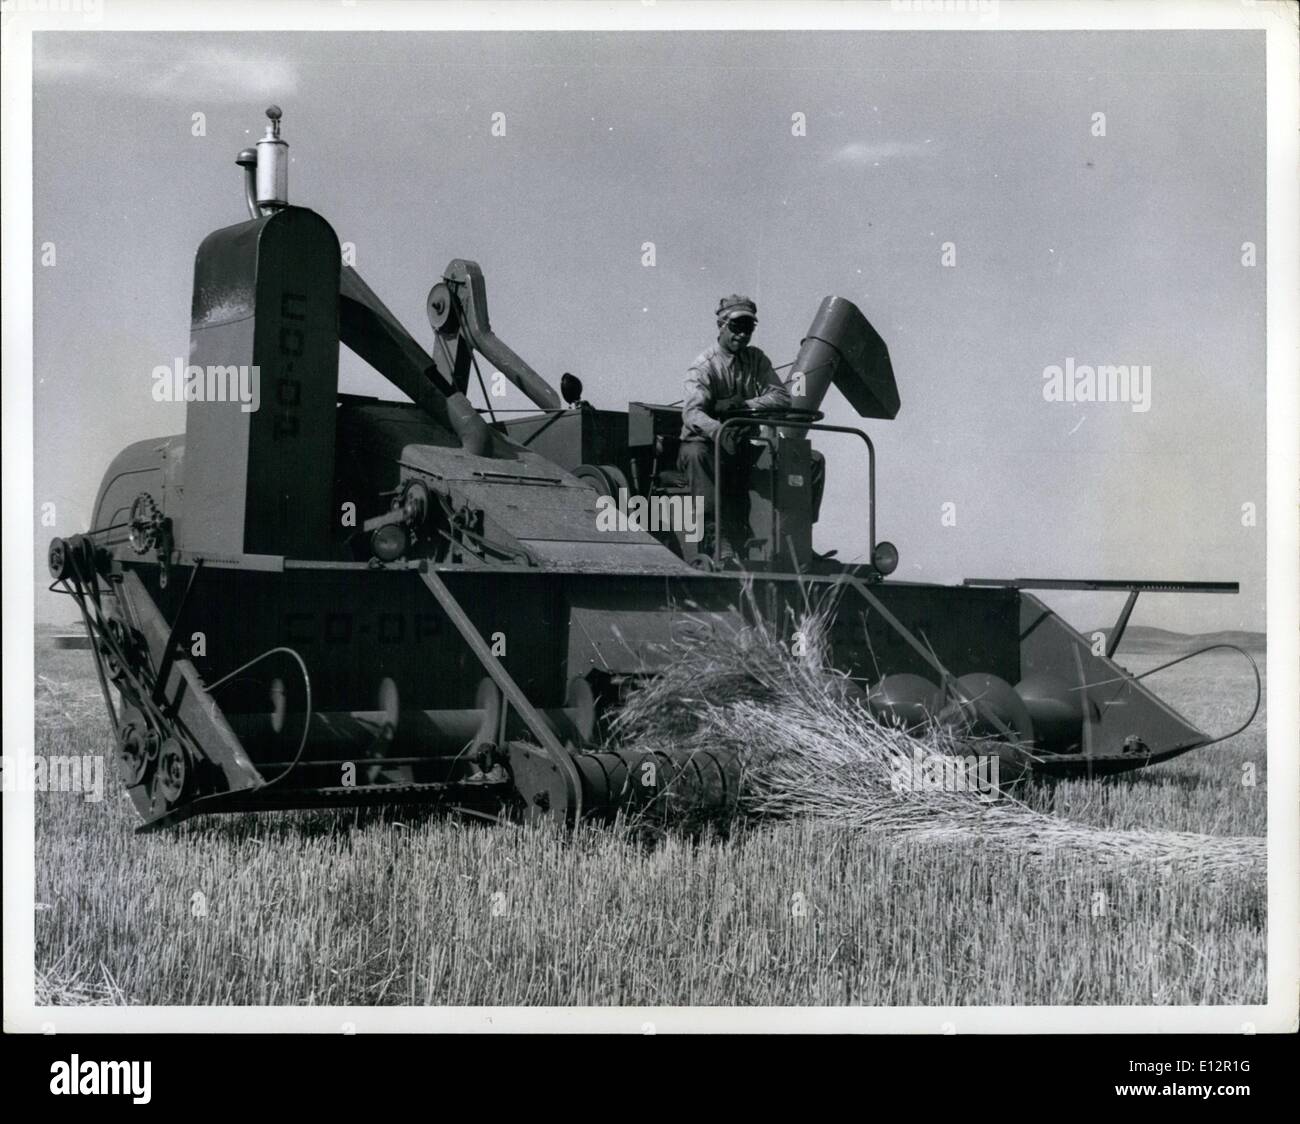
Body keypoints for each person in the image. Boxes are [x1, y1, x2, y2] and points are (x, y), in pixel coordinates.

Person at [678, 295, 791, 560]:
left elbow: (782, 397)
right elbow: (692, 412)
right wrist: (718, 430)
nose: (742, 334)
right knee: (697, 455)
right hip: (705, 443)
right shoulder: (703, 367)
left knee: (809, 462)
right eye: (736, 326)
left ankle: (794, 536)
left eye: (748, 328)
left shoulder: (757, 360)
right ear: (721, 325)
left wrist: (743, 405)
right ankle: (716, 538)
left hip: (743, 446)